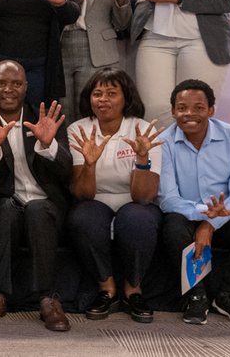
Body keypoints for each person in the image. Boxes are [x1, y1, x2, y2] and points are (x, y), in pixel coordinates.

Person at [0, 60, 74, 331]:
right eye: (1, 83)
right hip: (1, 202)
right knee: (4, 209)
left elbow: (65, 171)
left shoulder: (46, 116)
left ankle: (47, 297)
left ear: (26, 86)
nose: (8, 89)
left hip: (45, 204)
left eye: (16, 83)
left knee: (37, 209)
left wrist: (48, 144)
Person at [157, 79, 230, 326]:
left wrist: (211, 224)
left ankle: (229, 295)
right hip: (186, 213)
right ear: (173, 111)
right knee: (172, 225)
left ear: (211, 110)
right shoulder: (163, 142)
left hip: (225, 216)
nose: (189, 114)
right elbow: (168, 198)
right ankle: (196, 295)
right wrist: (204, 213)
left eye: (198, 107)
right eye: (182, 108)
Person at [63, 68, 163, 323]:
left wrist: (142, 159)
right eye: (97, 93)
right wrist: (89, 164)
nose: (103, 99)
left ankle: (133, 290)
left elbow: (144, 196)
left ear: (126, 98)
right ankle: (106, 288)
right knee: (83, 218)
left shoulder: (143, 130)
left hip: (135, 201)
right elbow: (82, 193)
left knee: (138, 219)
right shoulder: (79, 129)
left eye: (111, 93)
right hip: (95, 200)